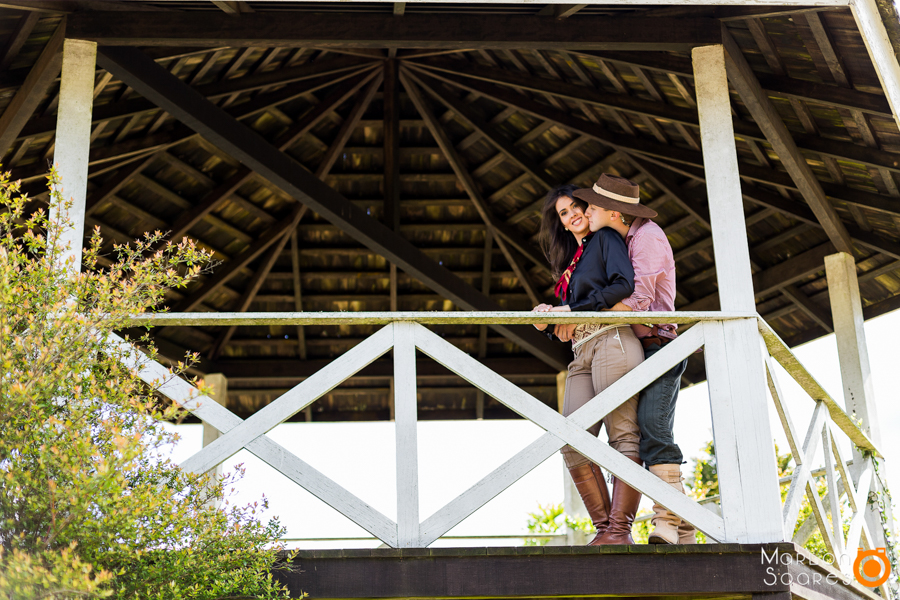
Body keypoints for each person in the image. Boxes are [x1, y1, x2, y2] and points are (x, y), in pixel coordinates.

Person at [532, 182, 643, 545]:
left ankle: (619, 531)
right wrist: (549, 321)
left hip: (612, 339)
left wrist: (570, 309)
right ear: (561, 223)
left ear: (589, 207)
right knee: (571, 440)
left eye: (577, 206)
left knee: (622, 434)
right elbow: (570, 319)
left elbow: (622, 285)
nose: (573, 214)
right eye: (564, 212)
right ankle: (604, 529)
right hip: (581, 351)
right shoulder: (570, 266)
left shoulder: (606, 240)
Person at [587, 173, 695, 545]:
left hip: (660, 343)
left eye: (593, 207)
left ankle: (665, 521)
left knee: (652, 425)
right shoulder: (621, 239)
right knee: (642, 427)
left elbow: (641, 303)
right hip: (641, 344)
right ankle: (686, 524)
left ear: (615, 214)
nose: (586, 212)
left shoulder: (647, 238)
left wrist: (580, 310)